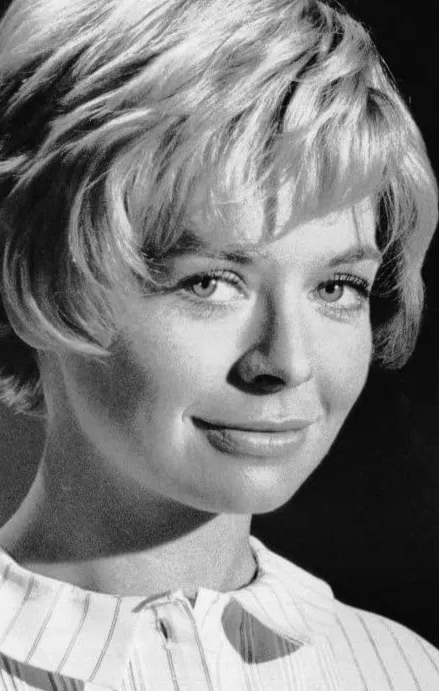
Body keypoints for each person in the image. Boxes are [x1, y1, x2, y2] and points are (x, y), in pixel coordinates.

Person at [0, 0, 438, 688]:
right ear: (31, 278)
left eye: (336, 287)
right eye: (208, 282)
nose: (286, 362)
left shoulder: (407, 670)